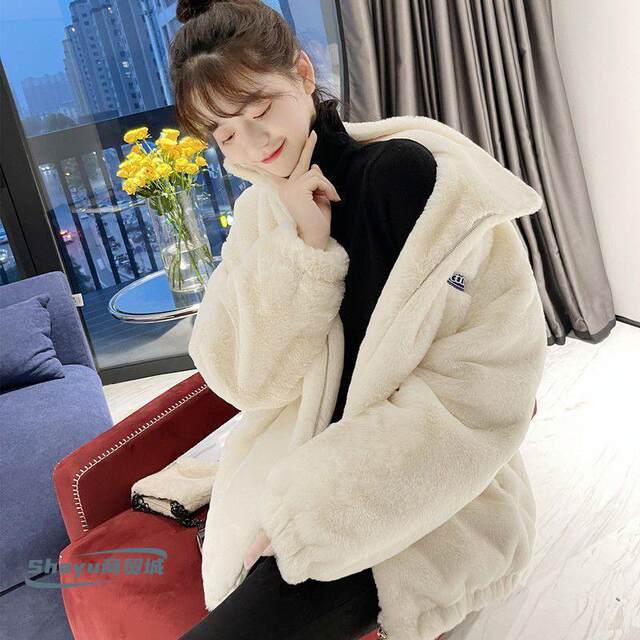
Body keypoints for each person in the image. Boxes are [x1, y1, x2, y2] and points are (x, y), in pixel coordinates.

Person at [171, 1, 546, 639]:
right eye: (225, 134)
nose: (254, 146)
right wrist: (302, 249)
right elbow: (243, 380)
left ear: (302, 72)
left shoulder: (412, 177)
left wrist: (311, 516)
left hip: (416, 489)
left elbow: (483, 388)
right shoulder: (262, 214)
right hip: (298, 470)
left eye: (260, 109)